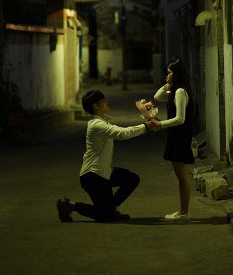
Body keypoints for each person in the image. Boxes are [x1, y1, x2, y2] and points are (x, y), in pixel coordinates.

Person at [56, 89, 159, 223]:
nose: (107, 103)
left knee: (132, 179)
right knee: (104, 216)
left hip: (104, 173)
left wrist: (147, 120)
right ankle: (69, 205)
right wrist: (145, 126)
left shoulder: (102, 122)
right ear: (95, 106)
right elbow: (122, 133)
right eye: (104, 101)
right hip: (93, 176)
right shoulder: (96, 125)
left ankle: (111, 208)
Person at [153, 58, 194, 221]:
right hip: (176, 136)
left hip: (180, 136)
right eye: (167, 72)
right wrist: (167, 85)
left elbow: (180, 119)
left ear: (177, 74)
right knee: (180, 174)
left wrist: (160, 124)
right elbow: (157, 96)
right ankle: (183, 211)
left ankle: (183, 212)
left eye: (170, 72)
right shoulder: (174, 90)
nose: (167, 75)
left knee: (182, 175)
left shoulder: (180, 92)